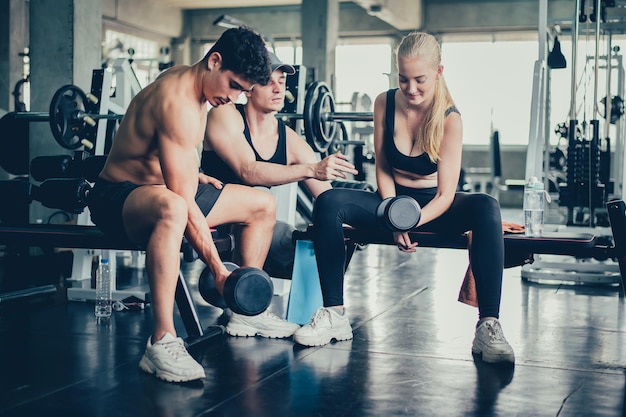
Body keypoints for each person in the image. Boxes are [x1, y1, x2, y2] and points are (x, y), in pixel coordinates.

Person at [293, 32, 515, 364]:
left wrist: (407, 221)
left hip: (433, 207)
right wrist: (392, 214)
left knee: (486, 206)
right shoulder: (384, 102)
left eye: (420, 80)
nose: (411, 89)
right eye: (403, 79)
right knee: (328, 202)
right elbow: (382, 166)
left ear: (439, 72)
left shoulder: (450, 119)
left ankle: (488, 326)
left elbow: (445, 194)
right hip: (390, 200)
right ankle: (334, 314)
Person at [87, 27, 277, 383]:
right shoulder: (177, 101)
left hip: (161, 185)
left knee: (262, 205)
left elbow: (170, 157)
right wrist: (219, 270)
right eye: (234, 85)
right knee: (174, 207)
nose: (235, 98)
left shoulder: (195, 85)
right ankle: (161, 341)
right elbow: (183, 199)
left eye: (244, 91)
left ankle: (242, 308)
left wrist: (191, 171)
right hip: (118, 196)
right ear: (214, 61)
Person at [202, 52, 358, 339]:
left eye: (282, 82)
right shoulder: (225, 115)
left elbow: (328, 200)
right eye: (267, 81)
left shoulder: (289, 140)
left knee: (304, 240)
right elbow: (247, 170)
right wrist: (311, 168)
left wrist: (355, 223)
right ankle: (246, 309)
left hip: (256, 227)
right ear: (248, 88)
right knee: (260, 199)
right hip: (208, 216)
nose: (277, 89)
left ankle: (248, 308)